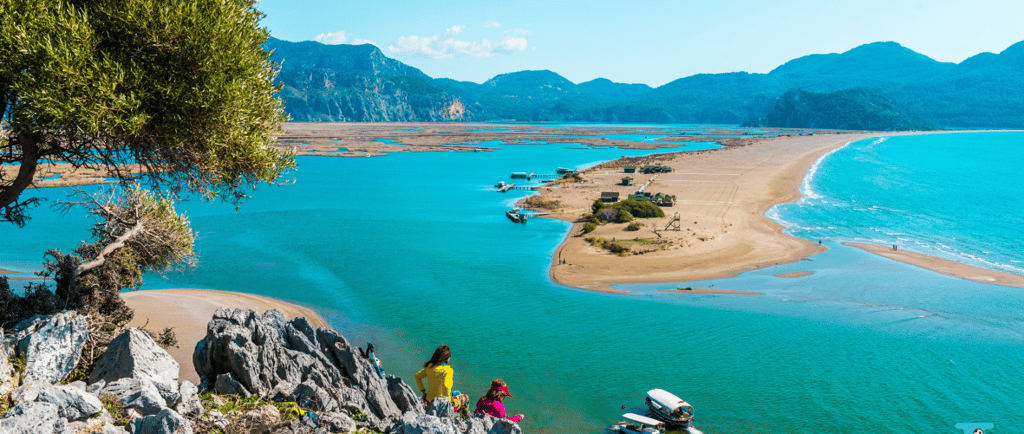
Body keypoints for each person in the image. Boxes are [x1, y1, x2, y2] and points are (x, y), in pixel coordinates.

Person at [413, 344, 468, 410]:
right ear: (447, 358)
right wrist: (448, 401)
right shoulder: (448, 370)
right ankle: (463, 417)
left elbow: (417, 376)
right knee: (465, 397)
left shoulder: (429, 368)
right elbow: (447, 387)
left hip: (430, 403)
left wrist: (423, 392)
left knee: (457, 392)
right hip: (445, 406)